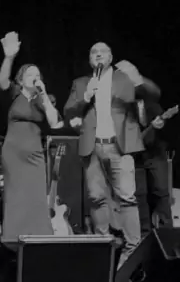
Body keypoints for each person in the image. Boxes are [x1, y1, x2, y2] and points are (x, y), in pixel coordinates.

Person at [64, 41, 160, 266]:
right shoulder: (81, 83)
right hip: (92, 146)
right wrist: (86, 96)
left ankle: (132, 249)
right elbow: (68, 111)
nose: (98, 55)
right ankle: (102, 245)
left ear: (111, 58)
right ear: (90, 59)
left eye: (103, 52)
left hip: (120, 146)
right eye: (93, 52)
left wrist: (138, 79)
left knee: (127, 197)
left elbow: (154, 94)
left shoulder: (124, 79)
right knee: (96, 197)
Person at [0, 31, 59, 240]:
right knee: (16, 194)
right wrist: (9, 57)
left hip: (35, 154)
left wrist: (43, 95)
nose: (35, 77)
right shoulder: (14, 93)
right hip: (14, 153)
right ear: (21, 79)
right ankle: (13, 237)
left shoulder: (44, 99)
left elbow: (54, 122)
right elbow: (2, 81)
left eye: (38, 74)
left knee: (36, 195)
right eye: (31, 74)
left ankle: (39, 236)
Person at [135, 96, 172, 236]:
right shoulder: (125, 106)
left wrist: (161, 123)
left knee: (161, 191)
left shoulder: (152, 104)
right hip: (135, 156)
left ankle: (166, 233)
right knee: (139, 195)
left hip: (155, 154)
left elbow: (164, 125)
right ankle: (144, 234)